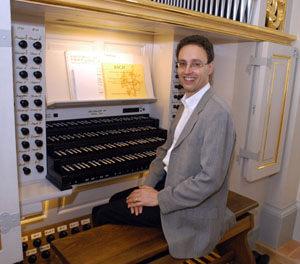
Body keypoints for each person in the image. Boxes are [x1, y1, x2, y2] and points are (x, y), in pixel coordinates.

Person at [92, 35, 236, 259]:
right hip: (169, 184)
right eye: (182, 63)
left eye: (196, 64)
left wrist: (158, 198)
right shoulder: (188, 103)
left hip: (191, 208)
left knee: (101, 213)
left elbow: (210, 180)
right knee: (116, 200)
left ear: (210, 68)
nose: (187, 70)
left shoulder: (217, 114)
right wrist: (147, 187)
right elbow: (164, 152)